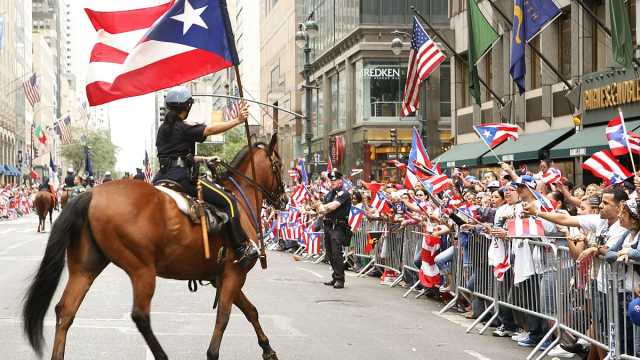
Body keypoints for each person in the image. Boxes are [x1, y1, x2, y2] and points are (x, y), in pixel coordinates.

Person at [153, 85, 258, 268]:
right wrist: (237, 120)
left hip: (161, 178)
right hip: (182, 179)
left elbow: (177, 156)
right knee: (229, 201)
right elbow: (209, 130)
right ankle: (242, 247)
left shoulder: (163, 130)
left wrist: (205, 158)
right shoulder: (183, 128)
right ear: (187, 107)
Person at [316, 169, 352, 289]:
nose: (332, 182)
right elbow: (322, 212)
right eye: (331, 180)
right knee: (330, 253)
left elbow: (333, 206)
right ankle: (335, 276)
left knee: (337, 253)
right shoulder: (329, 194)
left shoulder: (344, 193)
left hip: (338, 227)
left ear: (340, 181)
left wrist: (323, 207)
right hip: (328, 225)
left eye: (335, 180)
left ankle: (340, 280)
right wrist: (318, 208)